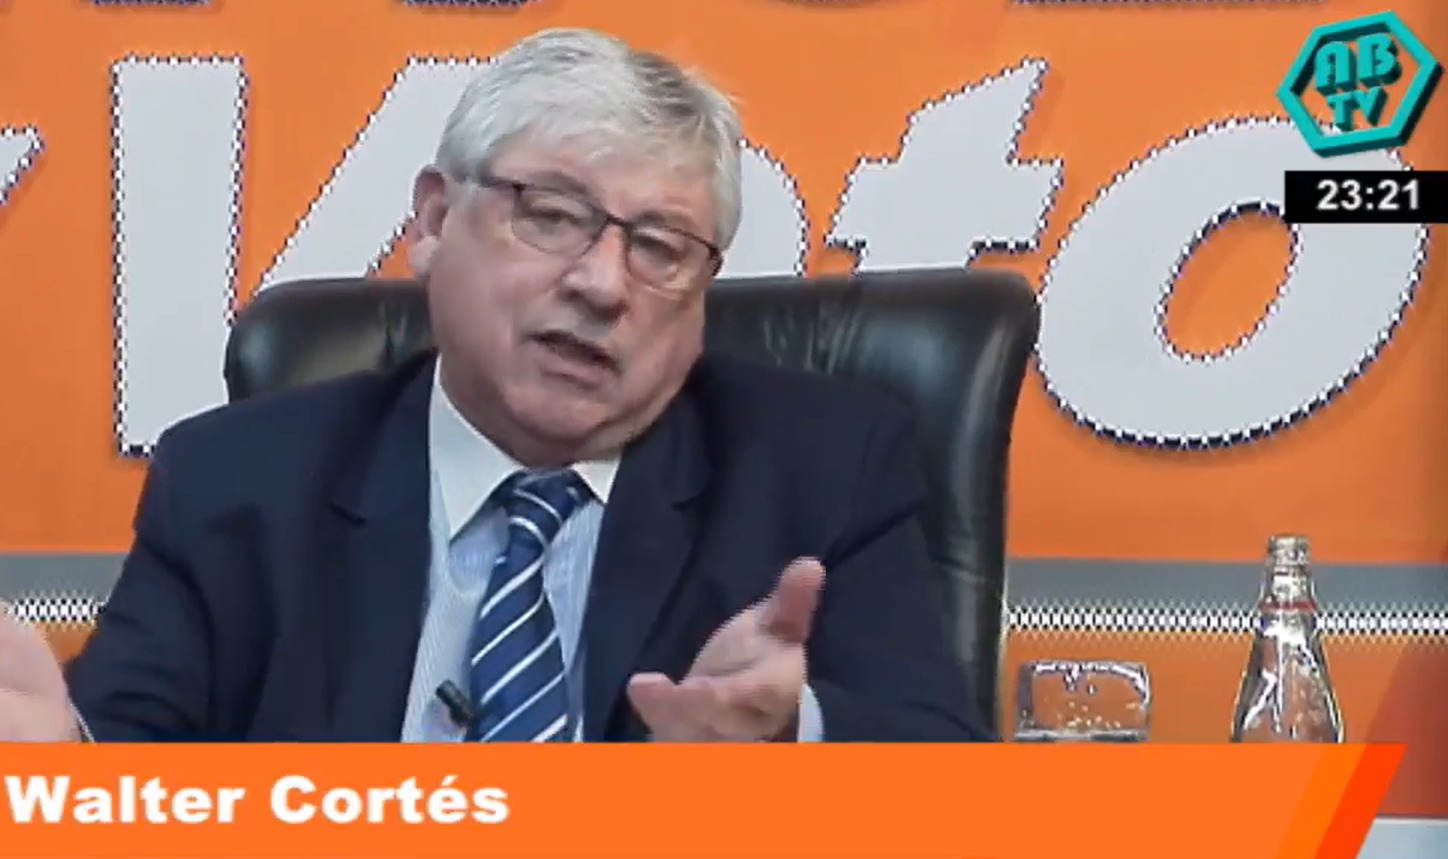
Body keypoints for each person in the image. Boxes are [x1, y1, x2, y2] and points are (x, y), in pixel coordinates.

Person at [0, 27, 987, 743]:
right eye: (551, 214)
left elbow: (954, 792)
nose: (602, 284)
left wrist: (793, 736)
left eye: (659, 247)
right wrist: (57, 778)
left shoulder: (821, 469)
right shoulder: (237, 483)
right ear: (433, 222)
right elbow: (122, 761)